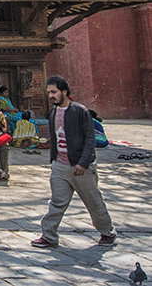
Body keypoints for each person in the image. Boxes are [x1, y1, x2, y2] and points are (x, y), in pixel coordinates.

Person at [32, 76, 116, 248]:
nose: (51, 96)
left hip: (81, 167)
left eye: (54, 92)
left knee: (93, 201)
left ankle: (107, 232)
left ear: (64, 92)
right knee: (57, 202)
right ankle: (49, 235)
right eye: (49, 92)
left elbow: (89, 139)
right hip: (60, 165)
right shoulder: (54, 112)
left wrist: (83, 163)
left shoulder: (80, 111)